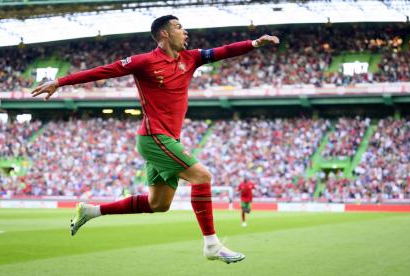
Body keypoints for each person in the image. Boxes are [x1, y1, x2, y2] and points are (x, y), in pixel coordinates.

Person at [31, 15, 279, 264]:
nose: (185, 32)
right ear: (164, 34)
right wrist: (60, 82)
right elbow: (104, 71)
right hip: (154, 137)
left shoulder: (190, 58)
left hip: (167, 139)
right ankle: (212, 245)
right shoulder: (145, 62)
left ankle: (91, 210)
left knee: (158, 204)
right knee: (202, 177)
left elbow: (223, 51)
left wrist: (254, 43)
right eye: (179, 27)